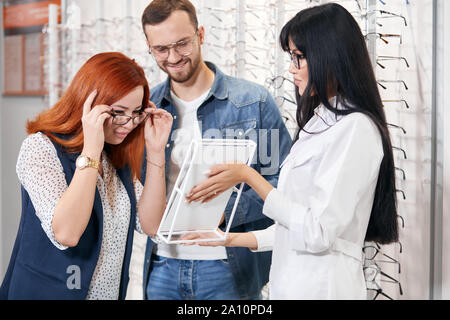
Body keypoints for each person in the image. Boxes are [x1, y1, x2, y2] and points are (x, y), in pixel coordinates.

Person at [184, 3, 399, 299]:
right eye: (291, 57)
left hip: (325, 288)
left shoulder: (356, 129)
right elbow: (292, 228)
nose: (291, 69)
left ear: (329, 57)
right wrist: (227, 239)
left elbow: (318, 232)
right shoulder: (320, 121)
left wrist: (247, 175)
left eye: (298, 58)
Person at [140, 0, 292, 300]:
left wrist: (227, 212)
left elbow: (283, 184)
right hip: (162, 268)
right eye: (160, 49)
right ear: (149, 47)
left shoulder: (254, 101)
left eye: (182, 44)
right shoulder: (147, 109)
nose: (172, 57)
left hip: (227, 267)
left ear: (201, 35)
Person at [0, 52, 173, 300]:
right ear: (88, 104)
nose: (128, 123)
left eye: (136, 112)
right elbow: (67, 233)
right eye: (117, 112)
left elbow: (151, 224)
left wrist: (156, 152)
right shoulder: (40, 148)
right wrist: (90, 148)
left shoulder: (113, 155)